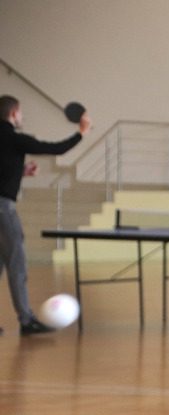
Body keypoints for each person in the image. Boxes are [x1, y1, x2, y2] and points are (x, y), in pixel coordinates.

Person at [0, 95, 92, 335]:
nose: (22, 117)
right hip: (3, 209)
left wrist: (20, 173)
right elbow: (55, 149)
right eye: (20, 113)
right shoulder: (15, 138)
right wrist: (81, 133)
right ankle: (26, 320)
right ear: (12, 114)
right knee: (17, 263)